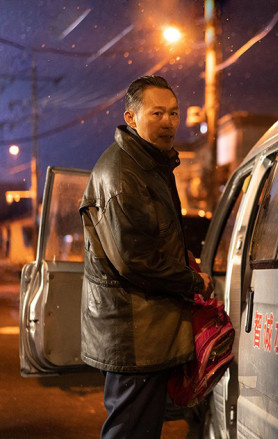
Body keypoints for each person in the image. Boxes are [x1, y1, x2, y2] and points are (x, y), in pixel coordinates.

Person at [79, 75, 214, 439]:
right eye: (157, 113)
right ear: (131, 117)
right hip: (134, 332)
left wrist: (181, 256)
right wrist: (192, 281)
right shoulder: (124, 174)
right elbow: (135, 260)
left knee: (139, 427)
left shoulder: (149, 164)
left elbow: (152, 239)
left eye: (174, 113)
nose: (168, 122)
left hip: (146, 327)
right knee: (131, 431)